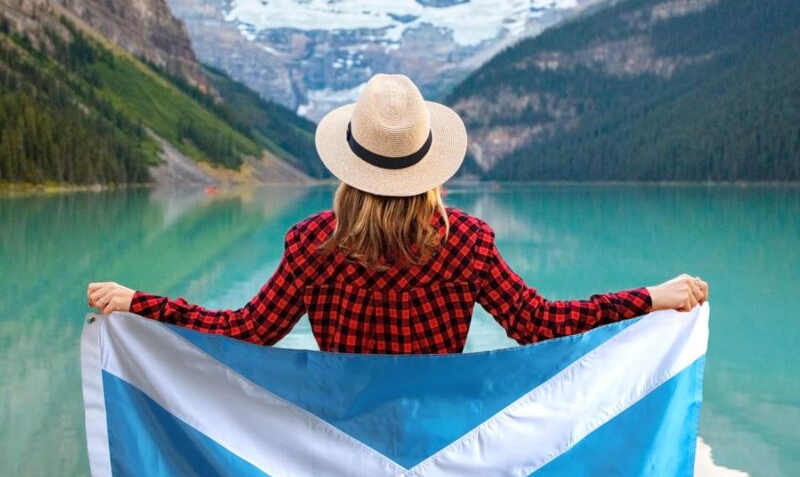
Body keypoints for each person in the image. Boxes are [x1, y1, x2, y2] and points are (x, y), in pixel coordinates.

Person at [87, 74, 708, 352]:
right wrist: (654, 297)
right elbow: (536, 323)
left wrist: (140, 302)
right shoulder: (468, 242)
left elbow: (246, 332)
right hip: (440, 445)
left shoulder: (312, 245)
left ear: (347, 165)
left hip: (340, 446)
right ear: (428, 166)